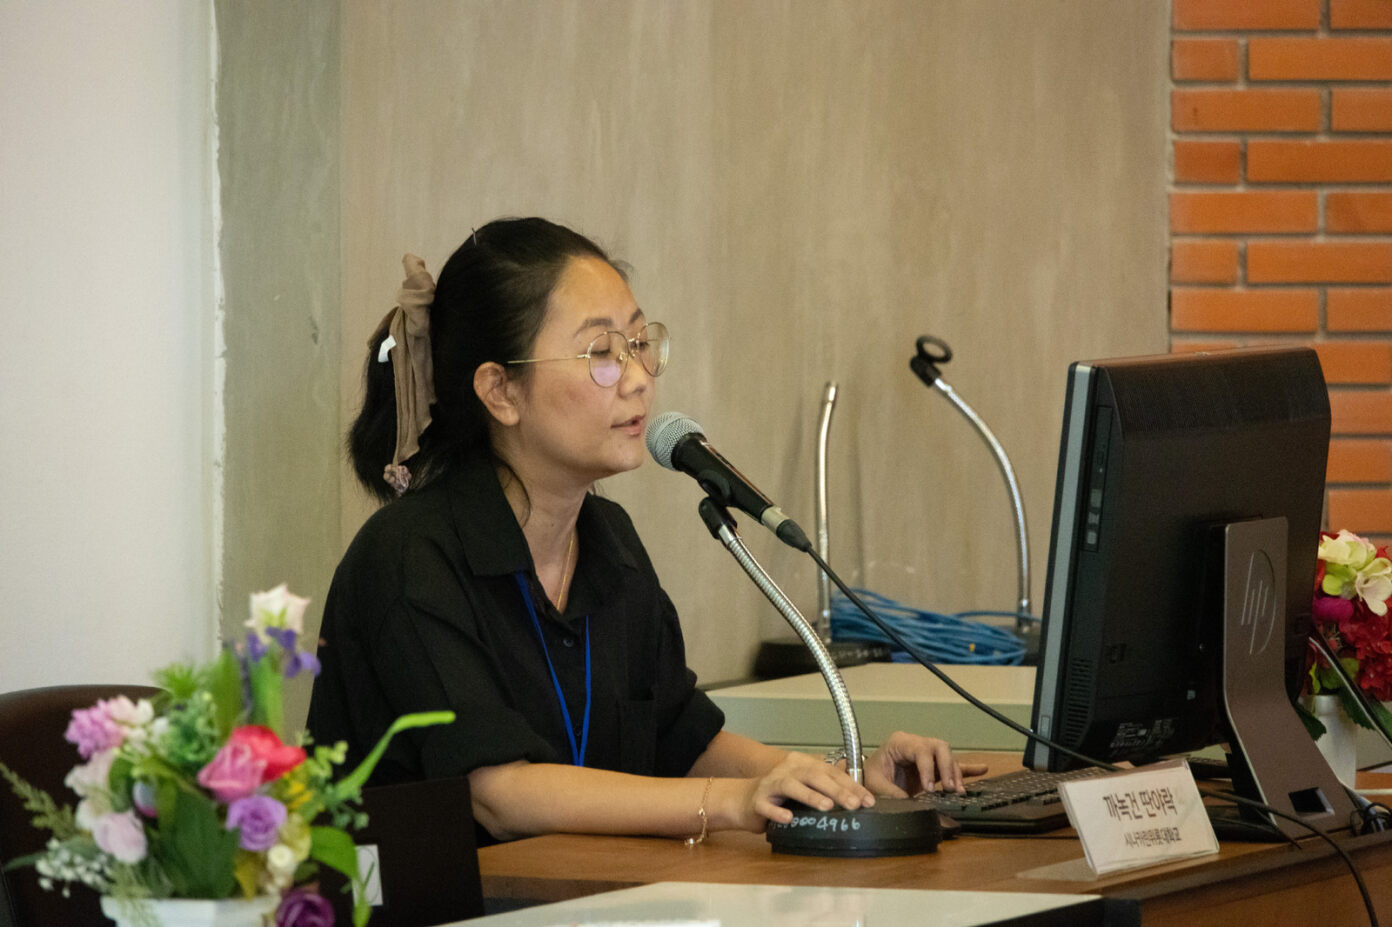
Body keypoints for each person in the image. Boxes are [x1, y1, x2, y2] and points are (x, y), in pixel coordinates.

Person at [307, 217, 987, 845]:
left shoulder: (609, 540)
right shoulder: (410, 557)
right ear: (501, 392)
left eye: (638, 344)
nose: (637, 379)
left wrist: (846, 780)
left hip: (597, 900)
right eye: (601, 353)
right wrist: (734, 802)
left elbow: (682, 740)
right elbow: (499, 795)